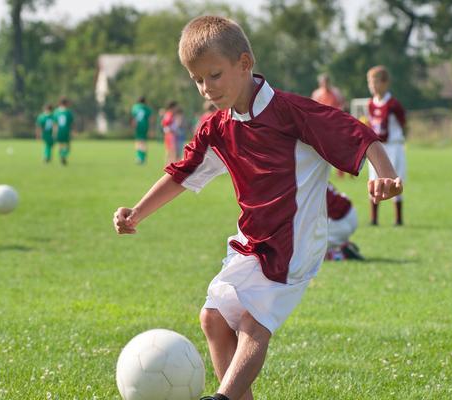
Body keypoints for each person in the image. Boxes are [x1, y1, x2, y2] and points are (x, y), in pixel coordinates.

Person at [112, 16, 402, 400]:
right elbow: (182, 174)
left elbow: (358, 134)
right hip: (252, 238)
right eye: (197, 80)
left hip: (294, 240)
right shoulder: (216, 128)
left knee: (254, 322)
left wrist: (384, 174)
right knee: (213, 319)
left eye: (214, 75)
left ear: (245, 63)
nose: (206, 89)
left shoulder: (292, 112)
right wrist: (137, 212)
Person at [366, 65, 407, 226]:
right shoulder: (370, 104)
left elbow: (403, 123)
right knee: (373, 178)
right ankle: (374, 218)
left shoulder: (393, 104)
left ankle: (398, 219)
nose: (372, 86)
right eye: (369, 82)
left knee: (394, 179)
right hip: (377, 146)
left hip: (393, 146)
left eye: (375, 81)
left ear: (384, 83)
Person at [311, 73, 347, 178]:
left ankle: (341, 171)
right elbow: (312, 108)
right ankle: (320, 171)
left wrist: (338, 116)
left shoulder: (336, 92)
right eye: (323, 82)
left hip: (335, 124)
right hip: (321, 125)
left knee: (338, 147)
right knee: (321, 148)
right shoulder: (317, 94)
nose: (325, 84)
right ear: (320, 83)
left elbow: (343, 105)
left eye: (327, 81)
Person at [326, 184, 363, 261]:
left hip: (340, 222)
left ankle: (341, 254)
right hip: (350, 213)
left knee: (311, 253)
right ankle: (342, 244)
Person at [131, 96, 153, 165]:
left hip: (138, 126)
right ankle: (143, 158)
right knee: (143, 142)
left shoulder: (135, 107)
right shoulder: (147, 108)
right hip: (145, 126)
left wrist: (133, 126)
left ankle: (139, 158)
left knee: (138, 142)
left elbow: (134, 118)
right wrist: (151, 128)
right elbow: (150, 119)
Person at [53, 97, 74, 165]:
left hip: (58, 130)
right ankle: (63, 155)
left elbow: (55, 123)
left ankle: (61, 156)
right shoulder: (68, 112)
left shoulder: (56, 112)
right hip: (66, 130)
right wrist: (72, 132)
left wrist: (54, 132)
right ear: (66, 103)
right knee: (68, 146)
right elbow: (71, 123)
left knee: (60, 145)